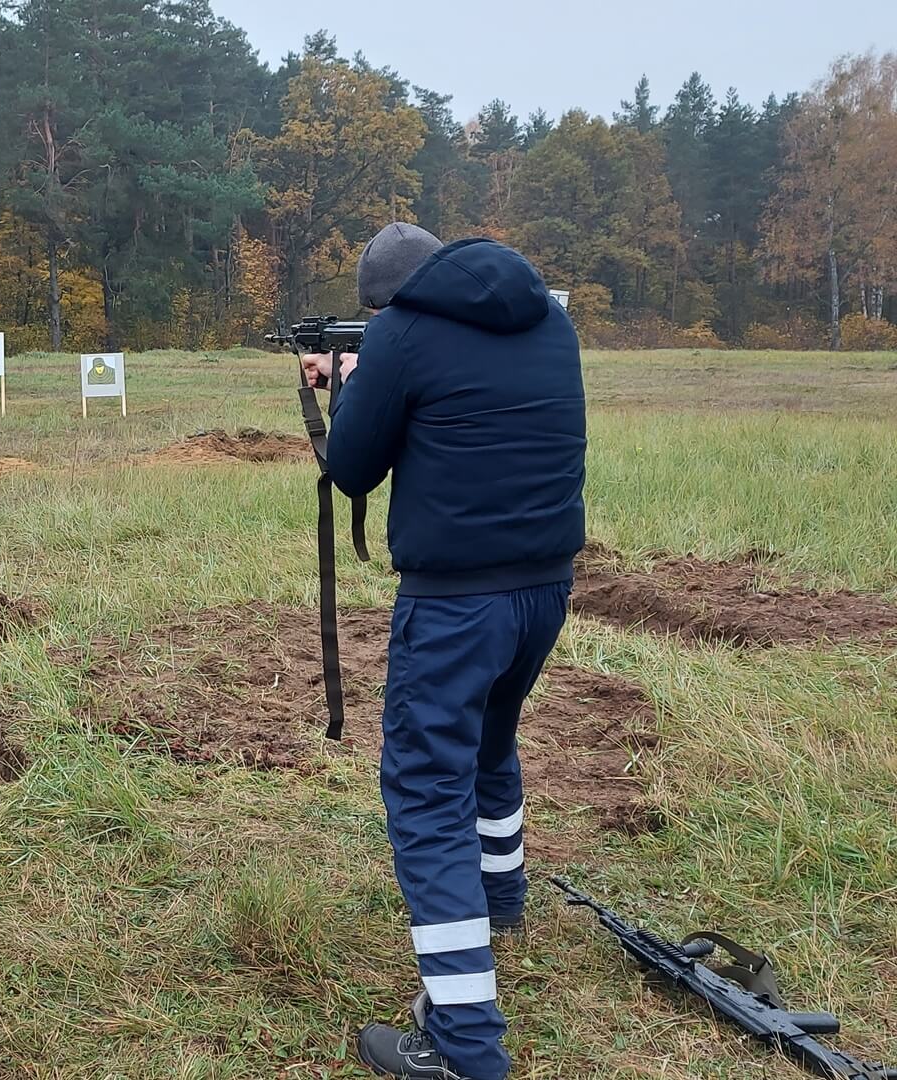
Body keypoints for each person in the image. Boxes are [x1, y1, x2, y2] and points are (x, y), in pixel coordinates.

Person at [307, 222, 586, 1080]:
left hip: (457, 602)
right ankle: (501, 900)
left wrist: (352, 383)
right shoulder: (549, 319)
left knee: (426, 797)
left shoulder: (400, 335)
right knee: (491, 744)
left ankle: (465, 1046)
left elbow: (351, 468)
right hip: (545, 587)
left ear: (389, 298)